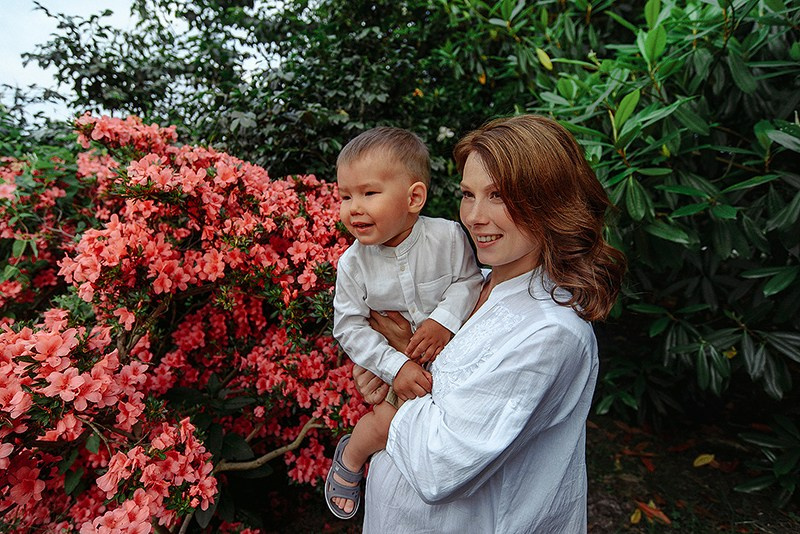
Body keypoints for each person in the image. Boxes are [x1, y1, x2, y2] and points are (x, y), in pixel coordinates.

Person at [352, 114, 627, 533]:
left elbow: (440, 464)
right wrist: (393, 366)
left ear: (549, 201)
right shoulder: (472, 286)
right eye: (468, 194)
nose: (474, 216)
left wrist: (388, 409)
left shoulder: (550, 333)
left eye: (498, 195)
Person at [325, 126, 483, 519]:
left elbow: (469, 280)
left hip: (447, 362)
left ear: (414, 197)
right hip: (392, 367)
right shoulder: (353, 264)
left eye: (368, 193)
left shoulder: (447, 238)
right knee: (387, 423)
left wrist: (443, 321)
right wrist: (394, 366)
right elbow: (348, 327)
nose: (353, 207)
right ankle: (350, 456)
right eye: (345, 196)